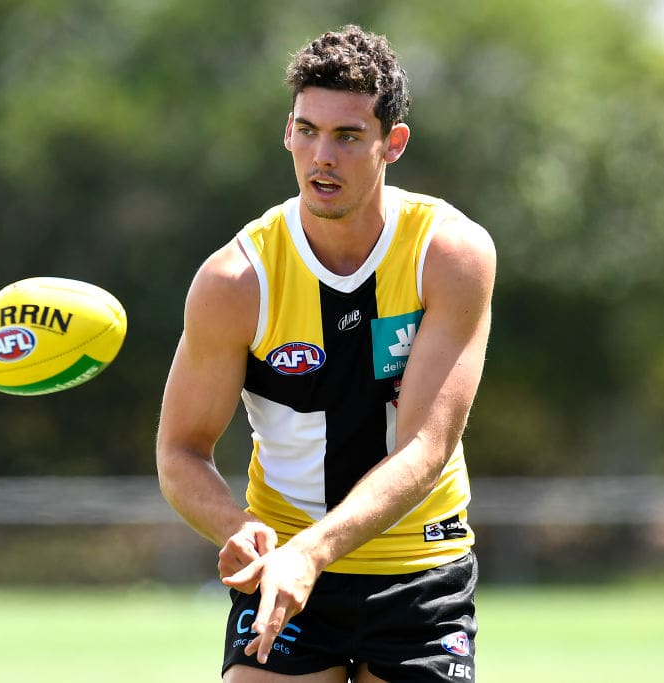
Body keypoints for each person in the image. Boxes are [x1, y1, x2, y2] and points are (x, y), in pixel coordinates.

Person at [156, 24, 496, 683]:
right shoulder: (236, 281)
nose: (322, 157)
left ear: (391, 144)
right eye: (307, 131)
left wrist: (311, 552)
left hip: (418, 574)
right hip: (287, 574)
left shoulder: (450, 255)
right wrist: (238, 525)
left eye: (347, 136)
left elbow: (425, 446)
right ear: (287, 132)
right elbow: (180, 450)